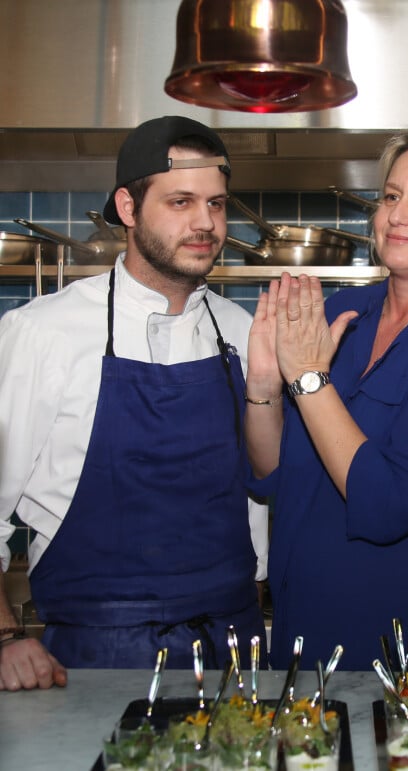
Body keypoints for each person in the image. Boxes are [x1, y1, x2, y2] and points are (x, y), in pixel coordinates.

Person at [0, 116, 269, 690]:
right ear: (127, 207)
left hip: (233, 654)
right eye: (181, 201)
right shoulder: (41, 332)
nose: (205, 223)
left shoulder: (242, 332)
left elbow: (261, 499)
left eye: (217, 205)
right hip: (98, 659)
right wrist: (4, 637)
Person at [245, 123, 408, 673]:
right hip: (304, 638)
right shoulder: (344, 314)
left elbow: (385, 504)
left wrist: (309, 381)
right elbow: (272, 471)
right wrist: (264, 387)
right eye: (391, 196)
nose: (397, 215)